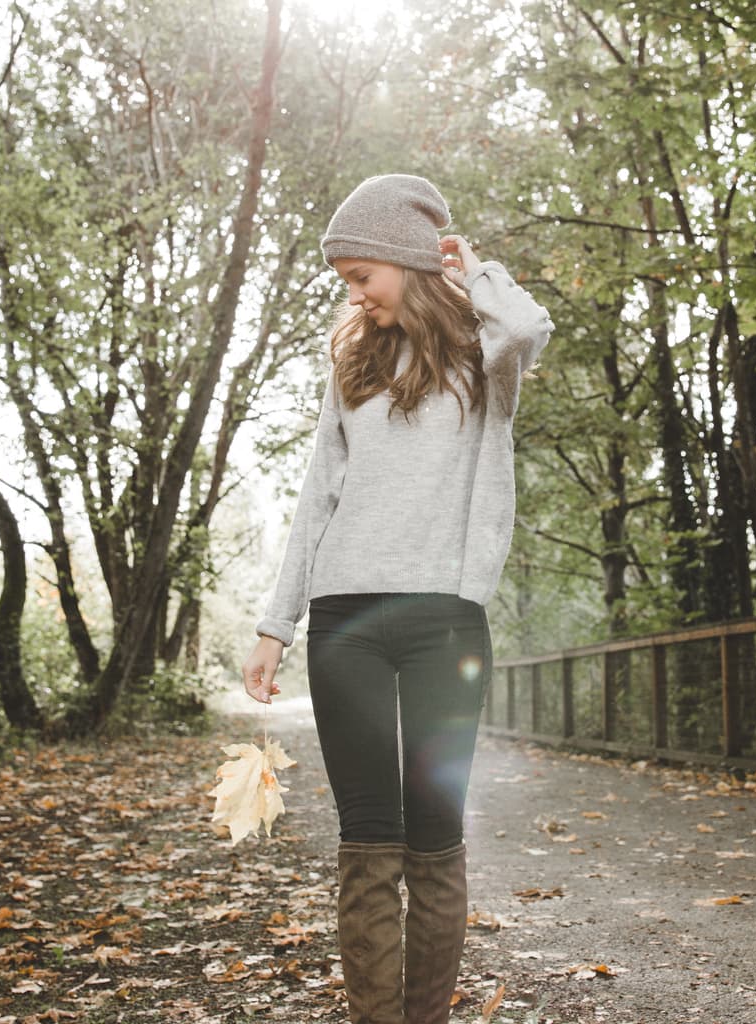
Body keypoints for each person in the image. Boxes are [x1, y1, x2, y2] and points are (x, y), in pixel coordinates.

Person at [241, 173, 553, 1024]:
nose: (354, 293)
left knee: (435, 835)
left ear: (408, 261)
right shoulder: (351, 365)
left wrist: (468, 264)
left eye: (362, 274)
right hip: (345, 623)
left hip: (444, 621)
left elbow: (526, 322)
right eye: (346, 279)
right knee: (367, 838)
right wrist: (276, 626)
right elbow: (318, 499)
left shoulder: (483, 359)